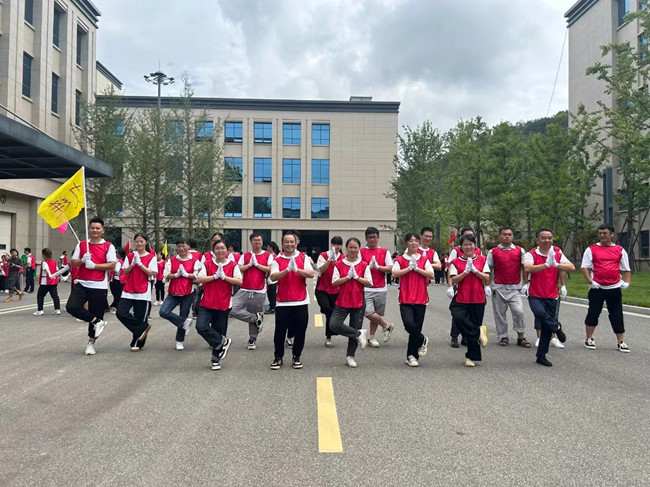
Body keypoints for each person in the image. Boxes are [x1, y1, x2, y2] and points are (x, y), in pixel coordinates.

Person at [523, 228, 575, 367]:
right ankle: (556, 327)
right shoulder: (531, 254)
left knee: (546, 328)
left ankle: (541, 356)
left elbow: (571, 267)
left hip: (552, 295)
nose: (547, 240)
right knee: (540, 313)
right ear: (537, 240)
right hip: (535, 294)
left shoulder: (557, 252)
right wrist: (546, 265)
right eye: (543, 238)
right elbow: (527, 268)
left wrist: (556, 264)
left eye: (549, 238)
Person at [65, 218, 117, 355]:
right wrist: (82, 260)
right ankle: (97, 322)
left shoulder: (108, 246)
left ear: (102, 230)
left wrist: (94, 266)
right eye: (92, 228)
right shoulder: (82, 244)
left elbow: (112, 264)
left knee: (97, 312)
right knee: (71, 307)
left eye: (97, 228)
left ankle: (91, 343)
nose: (95, 230)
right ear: (89, 230)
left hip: (99, 285)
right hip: (82, 283)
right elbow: (74, 262)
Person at [581, 224, 631, 352]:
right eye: (600, 233)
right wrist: (590, 281)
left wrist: (627, 282)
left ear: (612, 234)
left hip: (614, 287)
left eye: (605, 233)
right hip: (597, 287)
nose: (602, 235)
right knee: (593, 312)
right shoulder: (591, 249)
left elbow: (626, 268)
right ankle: (589, 338)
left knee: (616, 314)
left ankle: (621, 341)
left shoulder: (619, 250)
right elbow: (584, 267)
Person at [269, 231, 314, 370]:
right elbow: (273, 277)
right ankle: (278, 357)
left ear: (296, 243)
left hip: (300, 301)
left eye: (291, 242)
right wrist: (287, 270)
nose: (289, 244)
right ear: (282, 244)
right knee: (280, 332)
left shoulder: (303, 257)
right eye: (286, 242)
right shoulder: (277, 260)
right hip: (282, 301)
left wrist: (297, 269)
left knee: (300, 332)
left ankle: (296, 356)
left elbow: (311, 273)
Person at [196, 239, 241, 370]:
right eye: (217, 248)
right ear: (213, 250)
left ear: (227, 250)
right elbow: (200, 278)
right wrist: (214, 276)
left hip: (223, 303)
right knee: (201, 327)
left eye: (222, 248)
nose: (220, 250)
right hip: (207, 302)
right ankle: (223, 342)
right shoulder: (207, 264)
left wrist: (225, 277)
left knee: (219, 330)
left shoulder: (233, 265)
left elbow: (239, 281)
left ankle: (215, 359)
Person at [392, 233, 436, 367]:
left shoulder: (424, 259)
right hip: (405, 298)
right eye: (411, 241)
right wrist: (408, 268)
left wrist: (417, 268)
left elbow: (431, 274)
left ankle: (412, 356)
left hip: (420, 298)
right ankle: (422, 339)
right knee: (409, 324)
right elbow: (394, 274)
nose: (414, 243)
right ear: (406, 243)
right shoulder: (400, 260)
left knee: (416, 327)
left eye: (416, 241)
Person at [448, 234, 491, 367]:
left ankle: (470, 357)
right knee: (458, 317)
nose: (468, 247)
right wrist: (465, 272)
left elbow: (486, 277)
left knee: (474, 323)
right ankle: (478, 331)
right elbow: (454, 279)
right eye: (465, 244)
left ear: (475, 246)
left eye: (470, 244)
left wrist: (475, 270)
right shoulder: (456, 262)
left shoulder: (482, 259)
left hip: (478, 297)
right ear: (461, 247)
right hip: (462, 297)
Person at [329, 238, 372, 367]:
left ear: (359, 249)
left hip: (358, 302)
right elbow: (334, 282)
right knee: (334, 324)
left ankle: (350, 356)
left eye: (355, 247)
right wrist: (347, 277)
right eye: (351, 247)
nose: (353, 250)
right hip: (342, 301)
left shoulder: (363, 265)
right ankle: (358, 334)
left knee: (354, 326)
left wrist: (357, 278)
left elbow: (369, 282)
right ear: (346, 248)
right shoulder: (339, 264)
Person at [486, 227, 530, 347]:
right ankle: (503, 336)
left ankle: (521, 336)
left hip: (515, 287)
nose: (507, 236)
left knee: (519, 311)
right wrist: (487, 285)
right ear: (499, 236)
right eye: (504, 234)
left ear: (512, 236)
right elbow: (488, 269)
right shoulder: (493, 252)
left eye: (509, 234)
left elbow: (525, 268)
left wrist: (526, 284)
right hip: (498, 287)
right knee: (500, 314)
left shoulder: (520, 251)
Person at [230, 232, 274, 350]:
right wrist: (249, 265)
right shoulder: (245, 255)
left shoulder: (267, 255)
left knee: (253, 310)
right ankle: (256, 318)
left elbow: (270, 269)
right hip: (244, 288)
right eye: (255, 240)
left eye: (259, 240)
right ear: (251, 242)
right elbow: (239, 268)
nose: (257, 242)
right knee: (231, 309)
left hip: (259, 289)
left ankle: (252, 339)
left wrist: (257, 265)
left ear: (262, 242)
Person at [116, 233, 158, 352]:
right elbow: (125, 271)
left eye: (141, 241)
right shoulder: (130, 256)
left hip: (143, 291)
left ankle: (137, 343)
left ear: (146, 242)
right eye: (137, 241)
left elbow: (152, 273)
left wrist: (140, 264)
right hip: (129, 289)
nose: (139, 244)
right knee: (121, 312)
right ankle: (143, 328)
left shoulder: (151, 257)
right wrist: (132, 263)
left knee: (140, 317)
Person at [159, 238, 202, 350]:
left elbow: (197, 276)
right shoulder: (172, 260)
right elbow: (166, 275)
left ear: (188, 247)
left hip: (187, 293)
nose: (181, 248)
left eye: (184, 246)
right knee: (163, 312)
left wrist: (187, 274)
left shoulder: (195, 260)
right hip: (173, 292)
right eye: (179, 246)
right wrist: (176, 275)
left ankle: (179, 341)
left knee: (183, 314)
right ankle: (184, 322)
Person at [446, 227, 482, 347]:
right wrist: (450, 286)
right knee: (458, 313)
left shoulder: (478, 251)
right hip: (460, 285)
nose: (468, 243)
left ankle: (468, 336)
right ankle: (454, 336)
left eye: (471, 236)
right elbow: (450, 268)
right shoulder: (456, 250)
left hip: (474, 287)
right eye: (466, 236)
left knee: (471, 314)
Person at [360, 227, 395, 347]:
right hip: (366, 287)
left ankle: (371, 338)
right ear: (366, 238)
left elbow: (390, 268)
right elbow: (358, 267)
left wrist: (378, 267)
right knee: (367, 311)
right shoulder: (361, 252)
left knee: (375, 314)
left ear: (378, 238)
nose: (372, 239)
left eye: (374, 237)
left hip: (380, 288)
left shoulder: (384, 252)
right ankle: (386, 325)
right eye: (370, 237)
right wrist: (367, 267)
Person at [315, 236, 344, 348]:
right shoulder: (323, 255)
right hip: (322, 289)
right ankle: (333, 330)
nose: (336, 246)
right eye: (334, 244)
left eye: (338, 244)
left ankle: (328, 337)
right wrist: (329, 260)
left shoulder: (342, 257)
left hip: (336, 290)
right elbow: (321, 269)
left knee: (331, 313)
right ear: (331, 244)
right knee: (327, 309)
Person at [33, 248, 67, 316]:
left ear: (43, 255)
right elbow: (57, 271)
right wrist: (61, 277)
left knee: (40, 295)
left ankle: (40, 310)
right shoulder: (54, 262)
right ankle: (57, 309)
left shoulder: (44, 262)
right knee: (55, 296)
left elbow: (46, 269)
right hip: (53, 281)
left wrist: (49, 274)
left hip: (45, 282)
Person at [109, 248, 126, 313]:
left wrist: (110, 267)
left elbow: (116, 270)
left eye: (117, 253)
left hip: (117, 280)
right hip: (119, 280)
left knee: (117, 294)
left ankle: (117, 307)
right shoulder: (121, 261)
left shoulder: (119, 262)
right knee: (117, 294)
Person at [265, 241, 280, 314]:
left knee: (272, 293)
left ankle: (273, 307)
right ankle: (272, 305)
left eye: (268, 247)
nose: (267, 248)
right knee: (271, 293)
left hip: (271, 278)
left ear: (271, 248)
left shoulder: (273, 257)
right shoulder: (273, 256)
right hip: (270, 278)